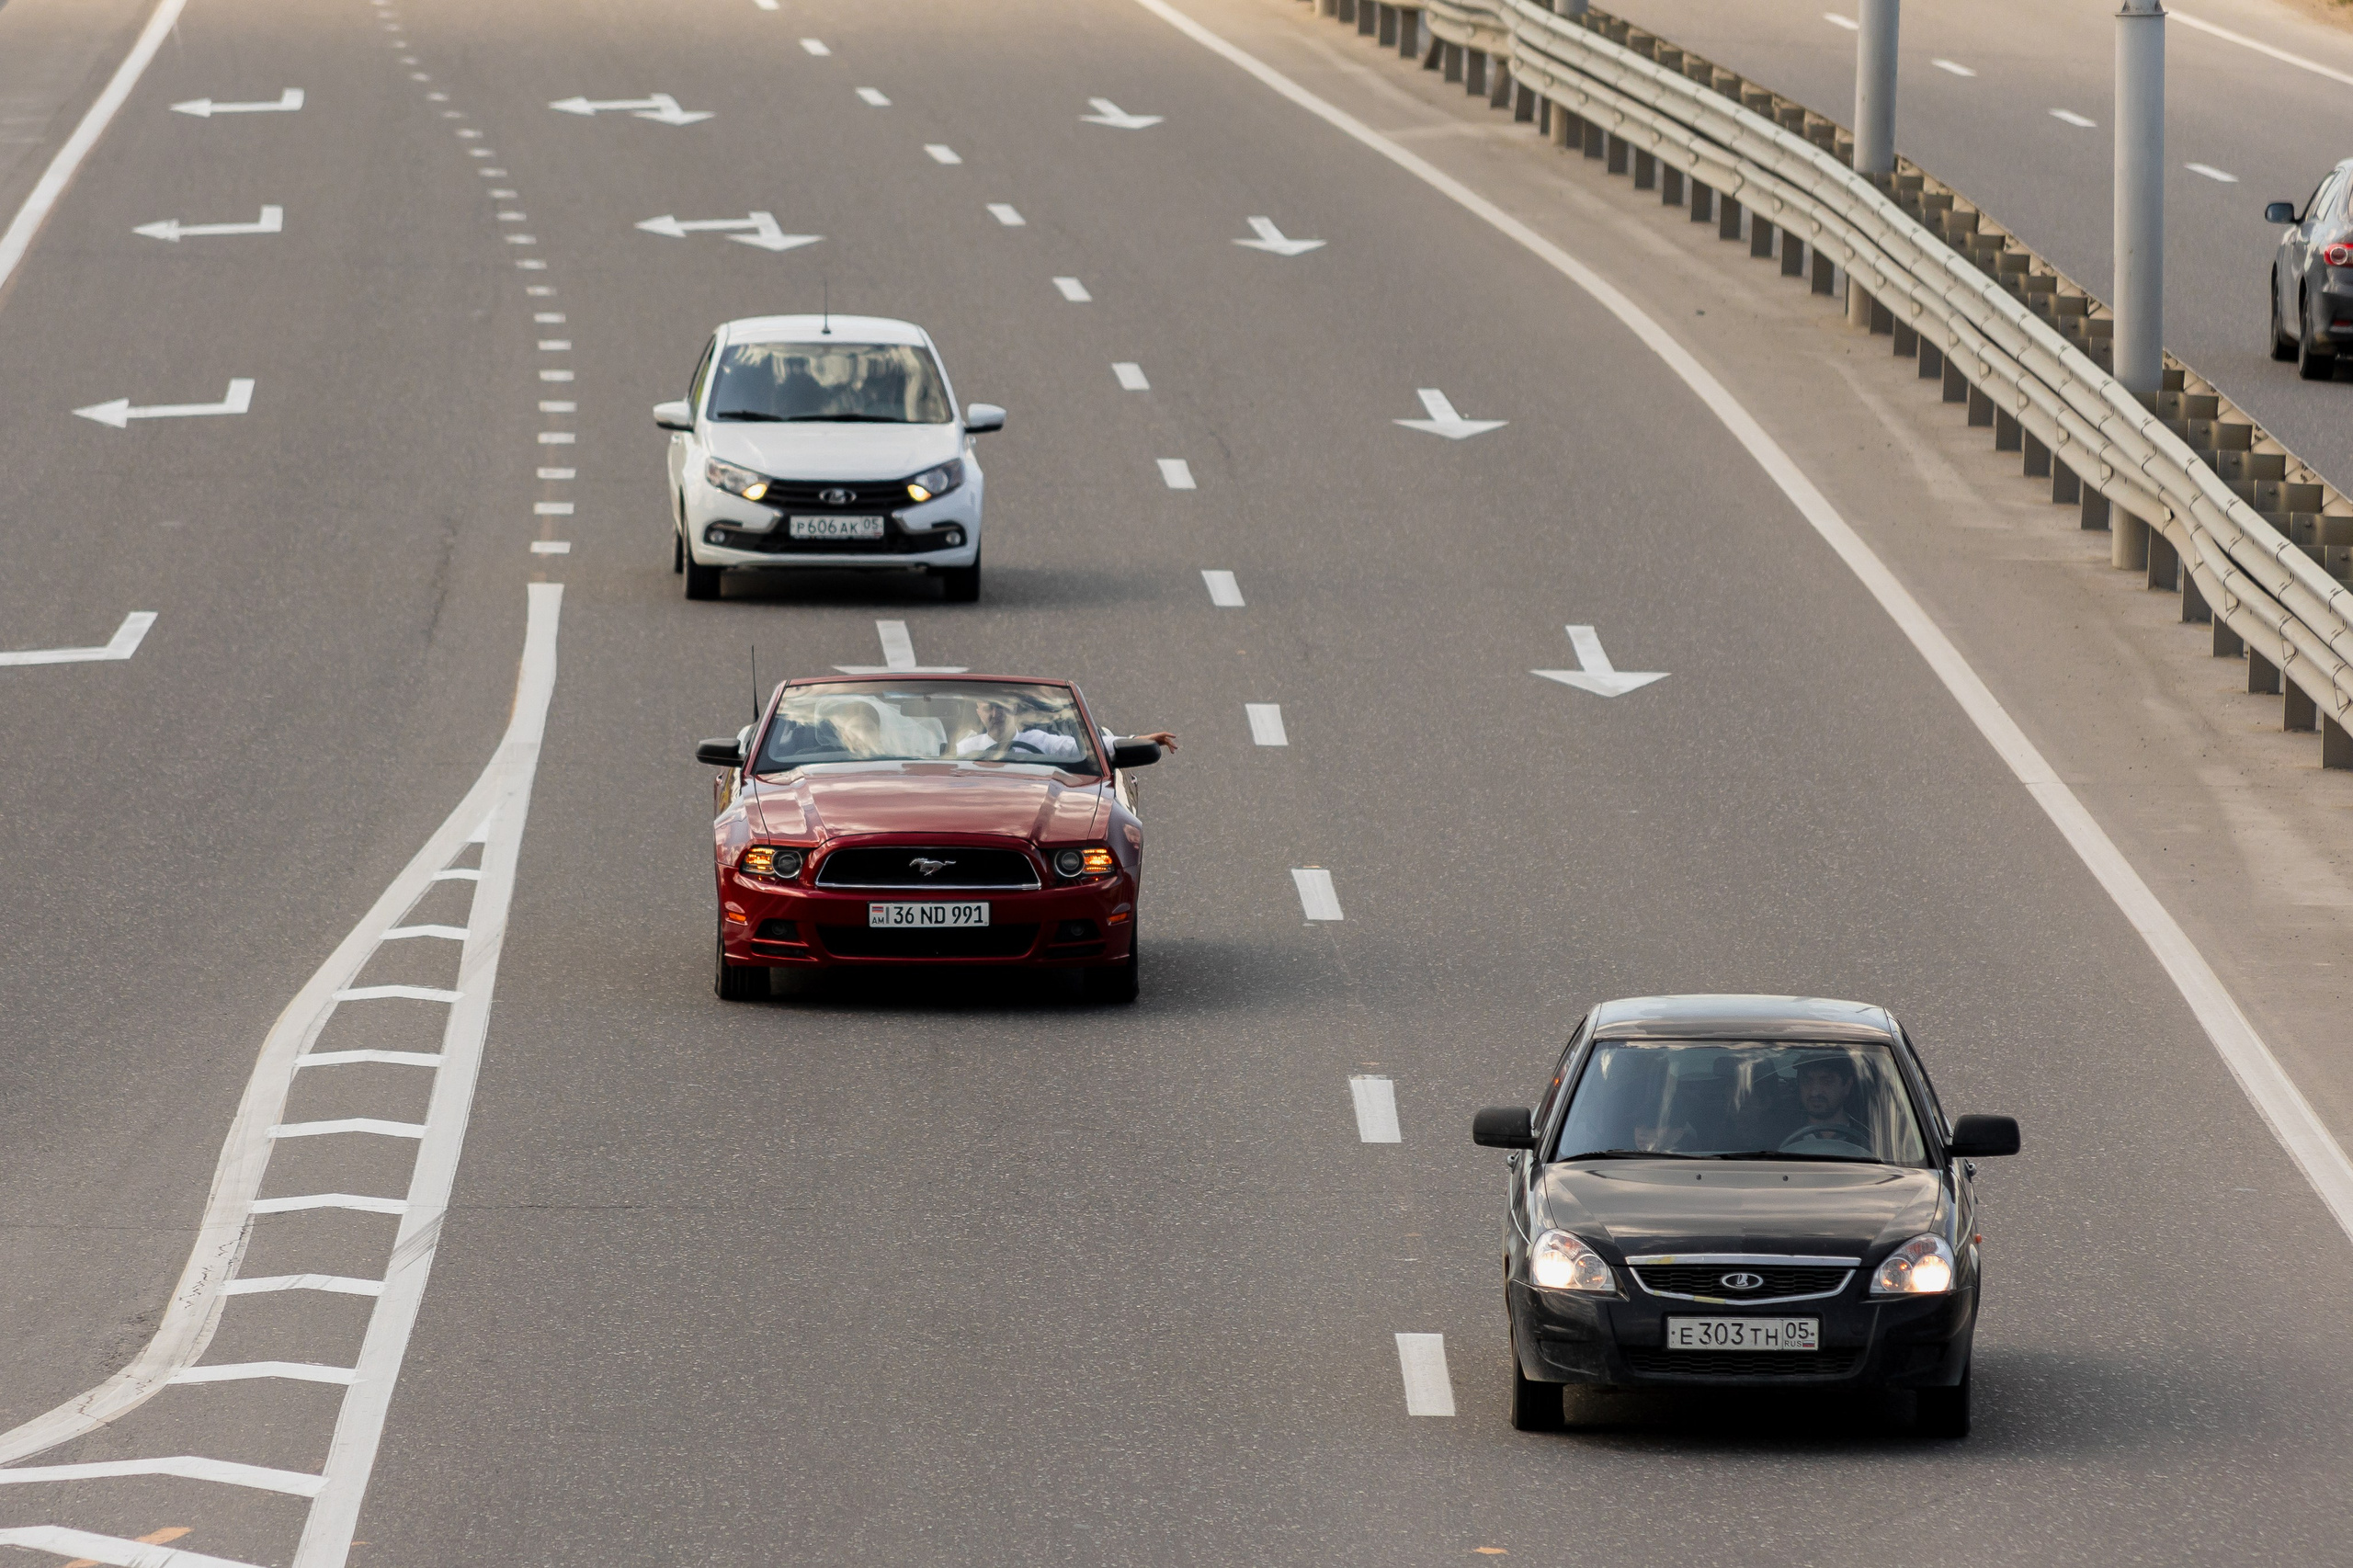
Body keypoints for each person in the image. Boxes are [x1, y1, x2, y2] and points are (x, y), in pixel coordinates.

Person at [953, 695, 1178, 763]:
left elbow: (1092, 747)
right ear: (978, 712)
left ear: (1014, 707)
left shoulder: (1041, 742)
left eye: (1001, 707)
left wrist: (1138, 740)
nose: (995, 715)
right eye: (988, 708)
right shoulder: (964, 750)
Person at [1779, 1052, 1873, 1156]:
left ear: (1847, 1085)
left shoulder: (1872, 1139)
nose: (1815, 1092)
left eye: (1826, 1082)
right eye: (1807, 1081)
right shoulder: (1777, 1135)